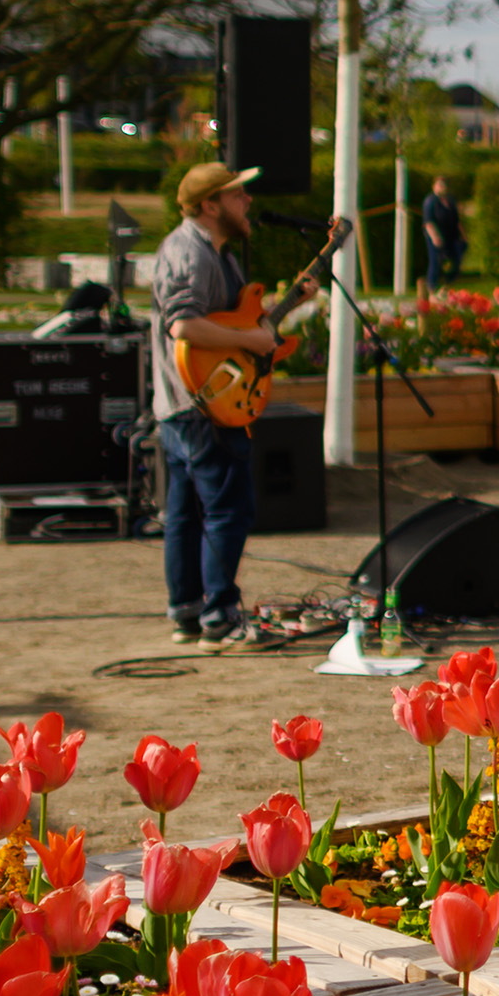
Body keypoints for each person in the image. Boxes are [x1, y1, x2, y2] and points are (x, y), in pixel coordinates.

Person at [149, 162, 326, 647]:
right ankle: (220, 618)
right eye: (237, 195)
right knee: (228, 510)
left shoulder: (214, 253)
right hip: (205, 403)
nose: (248, 201)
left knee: (186, 514)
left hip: (190, 403)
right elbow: (183, 325)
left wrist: (288, 305)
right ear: (210, 205)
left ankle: (188, 612)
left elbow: (232, 322)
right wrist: (251, 338)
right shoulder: (190, 252)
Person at [418, 171, 466, 293]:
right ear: (434, 186)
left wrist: (463, 235)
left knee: (455, 260)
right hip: (436, 236)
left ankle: (449, 285)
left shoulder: (450, 201)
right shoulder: (430, 201)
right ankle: (432, 287)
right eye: (440, 185)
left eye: (444, 185)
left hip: (451, 235)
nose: (442, 188)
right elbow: (428, 222)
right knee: (436, 261)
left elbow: (457, 220)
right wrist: (435, 237)